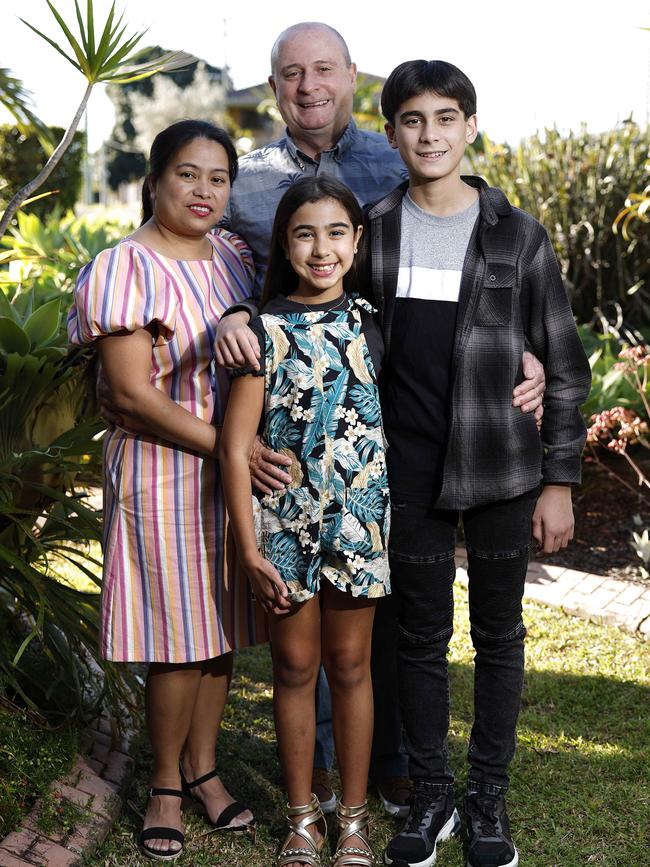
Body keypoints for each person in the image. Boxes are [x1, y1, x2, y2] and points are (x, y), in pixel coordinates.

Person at [215, 21, 546, 818]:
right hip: (292, 423)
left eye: (323, 68)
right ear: (274, 88)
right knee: (314, 636)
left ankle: (388, 763)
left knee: (391, 615)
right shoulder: (248, 177)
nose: (309, 85)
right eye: (291, 73)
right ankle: (321, 775)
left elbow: (477, 257)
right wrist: (234, 311)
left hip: (386, 425)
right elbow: (229, 262)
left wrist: (524, 353)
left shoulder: (393, 163)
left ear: (353, 77)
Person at [365, 61, 591, 867]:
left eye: (446, 117)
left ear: (469, 128)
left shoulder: (518, 234)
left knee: (499, 635)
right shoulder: (371, 230)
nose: (430, 134)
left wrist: (559, 480)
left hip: (502, 468)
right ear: (391, 132)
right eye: (413, 120)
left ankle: (487, 794)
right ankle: (432, 796)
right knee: (419, 638)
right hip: (406, 471)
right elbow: (312, 302)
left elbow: (563, 363)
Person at [67, 120, 264, 862]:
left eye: (217, 178)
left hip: (229, 472)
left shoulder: (234, 260)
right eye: (187, 175)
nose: (203, 190)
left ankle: (205, 769)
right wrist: (236, 449)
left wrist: (240, 456)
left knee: (219, 629)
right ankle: (162, 784)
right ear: (154, 182)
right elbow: (130, 392)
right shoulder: (127, 266)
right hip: (164, 468)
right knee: (177, 639)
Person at [220, 176, 389, 867]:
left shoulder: (374, 320)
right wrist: (247, 545)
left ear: (357, 241)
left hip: (361, 522)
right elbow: (234, 446)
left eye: (335, 233)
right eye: (304, 233)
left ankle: (351, 818)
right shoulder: (262, 330)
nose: (321, 249)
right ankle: (301, 818)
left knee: (350, 663)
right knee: (294, 666)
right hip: (284, 526)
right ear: (284, 244)